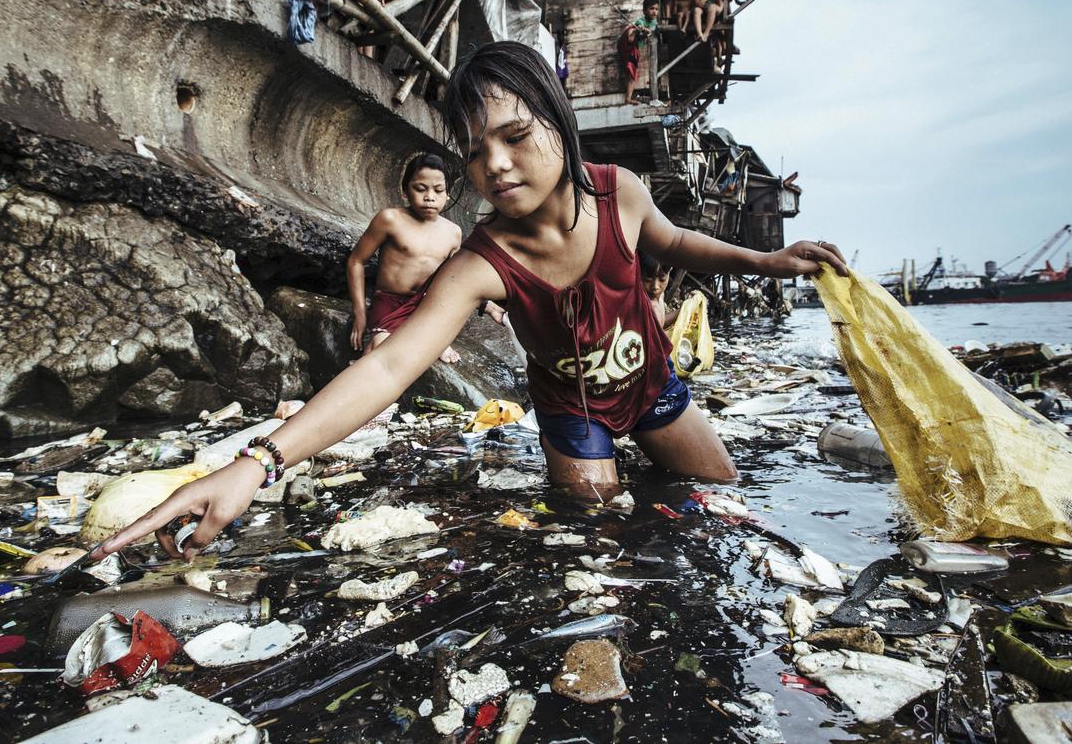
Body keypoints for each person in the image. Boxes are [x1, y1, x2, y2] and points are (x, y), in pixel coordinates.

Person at [93, 41, 846, 562]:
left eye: (516, 136)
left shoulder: (621, 194)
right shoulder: (481, 262)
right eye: (476, 150)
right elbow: (388, 371)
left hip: (653, 387)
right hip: (574, 412)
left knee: (719, 497)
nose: (495, 164)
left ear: (559, 119)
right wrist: (257, 461)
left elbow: (678, 242)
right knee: (598, 533)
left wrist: (769, 260)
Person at [346, 154, 502, 365]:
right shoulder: (390, 219)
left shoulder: (453, 233)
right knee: (382, 350)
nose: (430, 196)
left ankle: (435, 339)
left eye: (438, 190)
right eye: (420, 189)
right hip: (390, 302)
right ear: (405, 190)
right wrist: (360, 313)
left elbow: (457, 279)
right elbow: (356, 261)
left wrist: (489, 306)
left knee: (425, 339)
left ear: (448, 195)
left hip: (427, 306)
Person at [617, 0, 660, 104]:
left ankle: (628, 97)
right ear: (645, 11)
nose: (654, 11)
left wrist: (647, 32)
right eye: (651, 9)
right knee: (632, 29)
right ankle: (628, 98)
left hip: (634, 50)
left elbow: (652, 31)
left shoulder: (654, 23)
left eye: (656, 9)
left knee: (632, 73)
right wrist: (639, 29)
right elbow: (637, 28)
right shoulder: (641, 21)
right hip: (629, 46)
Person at [639, 251, 676, 330]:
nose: (655, 287)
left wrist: (685, 308)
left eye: (662, 279)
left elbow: (660, 323)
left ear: (670, 272)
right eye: (648, 279)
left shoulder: (660, 295)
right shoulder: (640, 303)